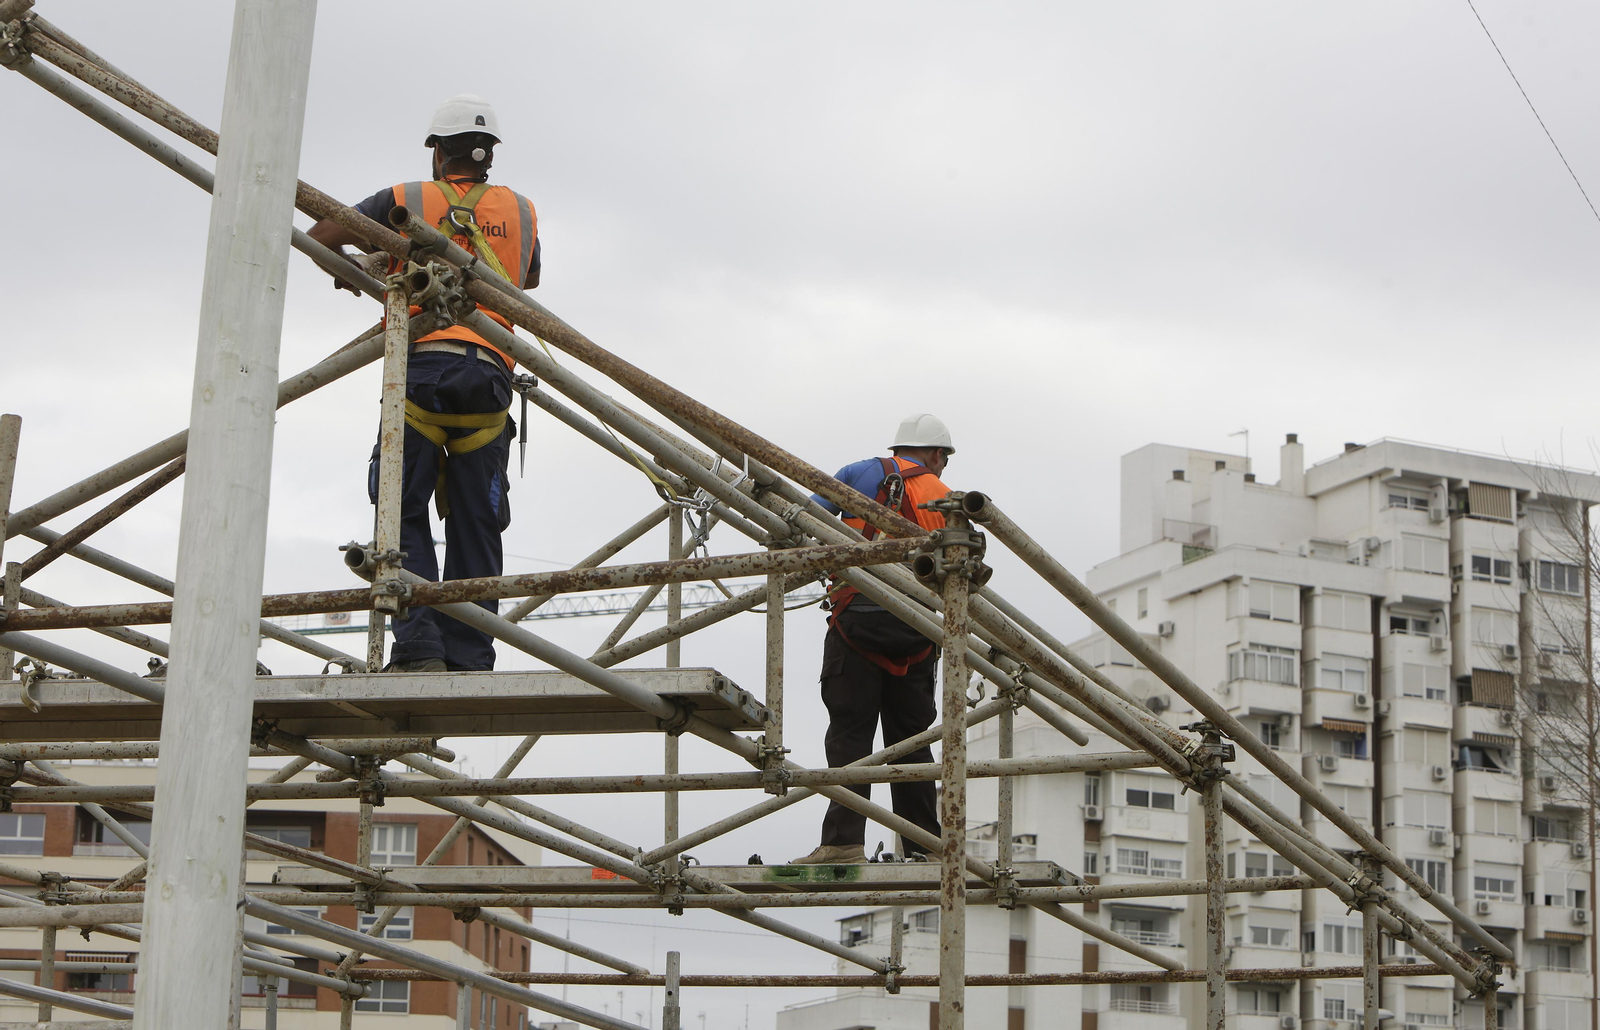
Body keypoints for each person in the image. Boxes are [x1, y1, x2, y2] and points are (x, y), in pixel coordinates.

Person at [307, 95, 540, 672]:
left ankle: (418, 650)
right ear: (488, 158)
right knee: (476, 519)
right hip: (487, 372)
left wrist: (366, 268)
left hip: (421, 366)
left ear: (438, 152)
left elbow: (320, 235)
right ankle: (470, 654)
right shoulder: (523, 209)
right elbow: (527, 277)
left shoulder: (403, 200)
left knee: (399, 506)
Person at [791, 414, 956, 865]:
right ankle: (925, 847)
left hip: (857, 619)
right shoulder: (947, 498)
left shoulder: (860, 472)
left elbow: (805, 517)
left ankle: (843, 842)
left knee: (850, 736)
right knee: (913, 740)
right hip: (918, 630)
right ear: (937, 455)